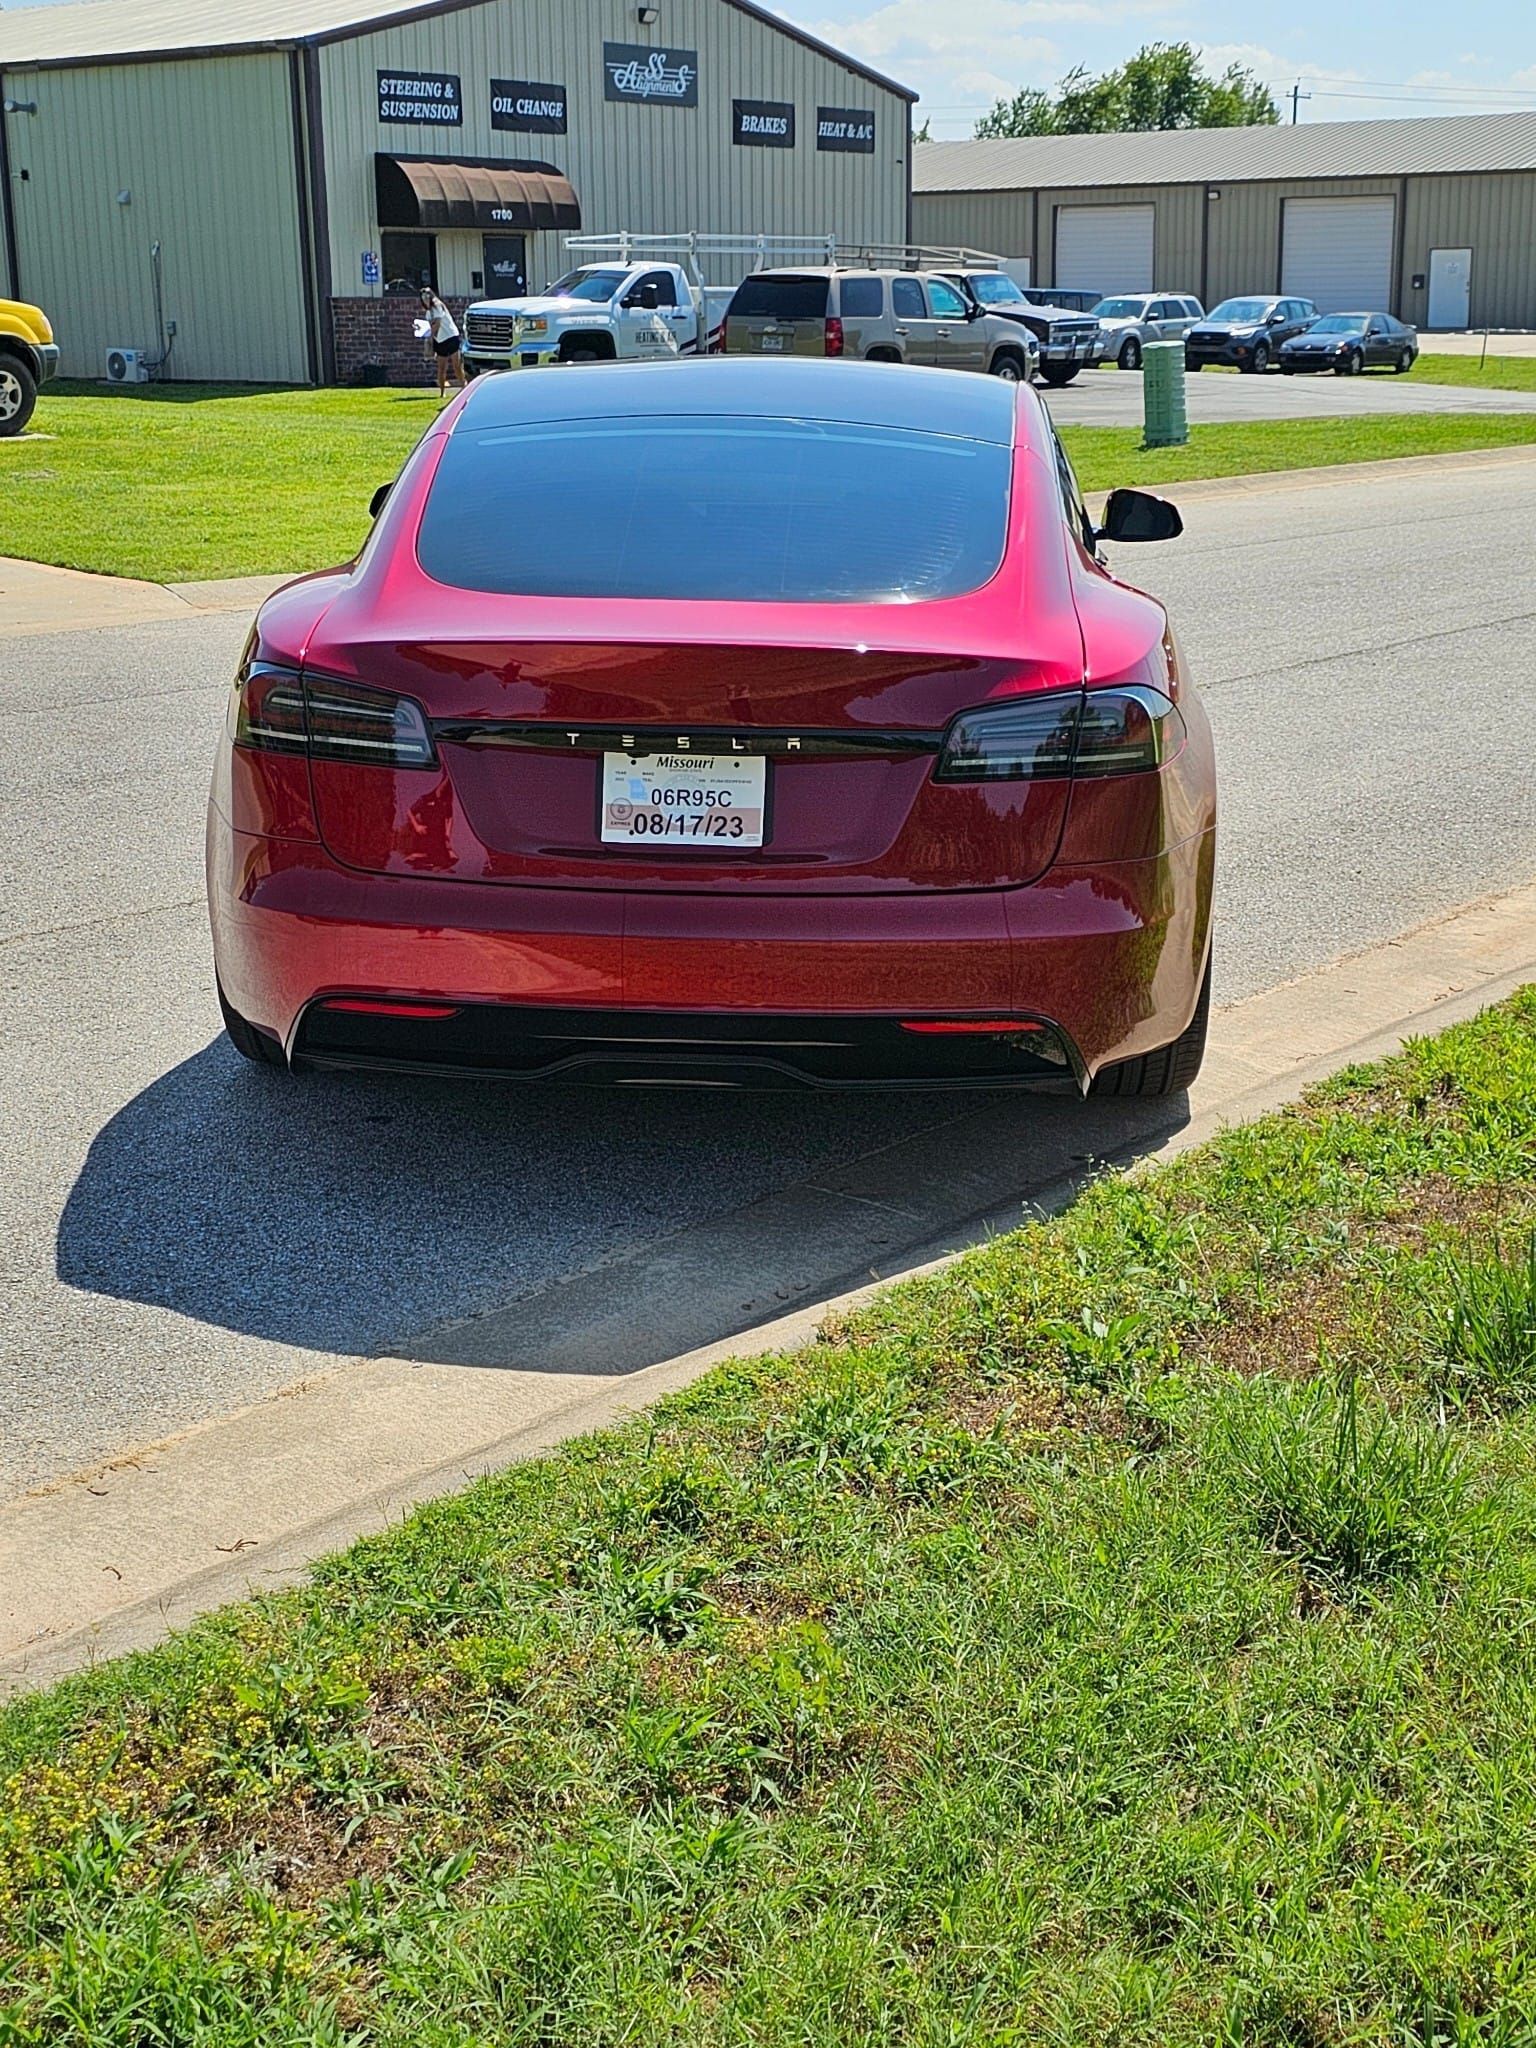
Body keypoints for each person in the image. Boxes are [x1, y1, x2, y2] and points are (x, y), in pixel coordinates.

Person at [420, 288, 466, 397]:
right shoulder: (428, 313)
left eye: (427, 297)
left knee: (457, 366)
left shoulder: (438, 306)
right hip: (439, 340)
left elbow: (437, 324)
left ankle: (464, 388)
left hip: (451, 337)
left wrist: (430, 336)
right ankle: (442, 393)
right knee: (441, 368)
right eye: (423, 298)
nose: (426, 300)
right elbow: (429, 326)